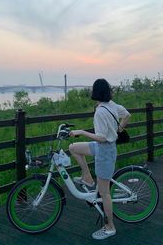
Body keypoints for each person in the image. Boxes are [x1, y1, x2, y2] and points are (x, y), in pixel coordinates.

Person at [69, 78, 131, 240]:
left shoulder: (100, 111)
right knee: (73, 148)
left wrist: (81, 132)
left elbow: (102, 138)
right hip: (104, 148)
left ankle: (110, 227)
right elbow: (127, 115)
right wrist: (119, 128)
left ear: (96, 92)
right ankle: (88, 179)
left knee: (105, 194)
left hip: (105, 151)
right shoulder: (110, 106)